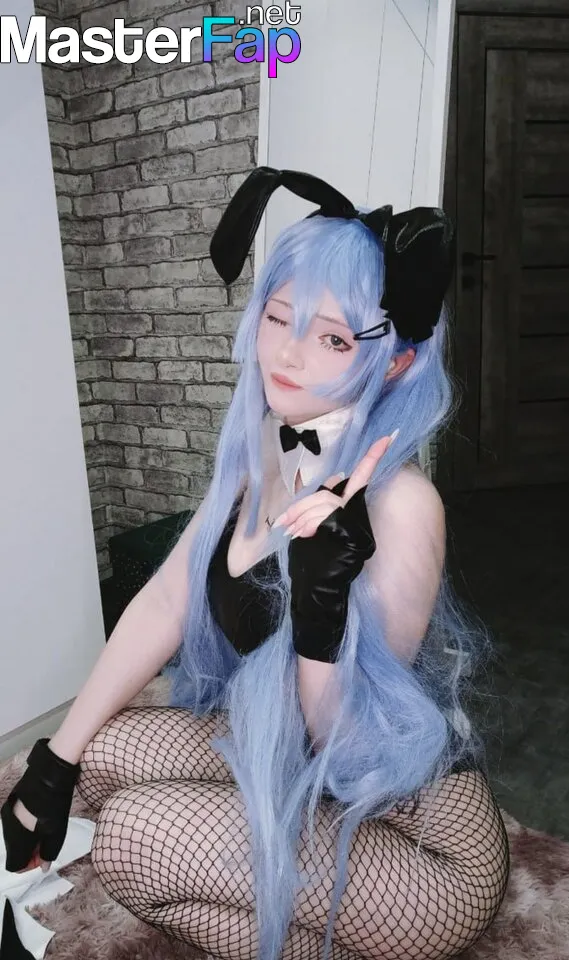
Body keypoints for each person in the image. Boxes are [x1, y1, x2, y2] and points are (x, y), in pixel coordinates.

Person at [1, 167, 510, 960]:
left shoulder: (404, 506)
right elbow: (166, 601)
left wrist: (320, 613)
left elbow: (348, 754)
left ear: (396, 362)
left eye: (334, 338)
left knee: (135, 836)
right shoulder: (264, 452)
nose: (289, 354)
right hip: (288, 769)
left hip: (415, 840)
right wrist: (51, 762)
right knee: (95, 750)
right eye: (278, 317)